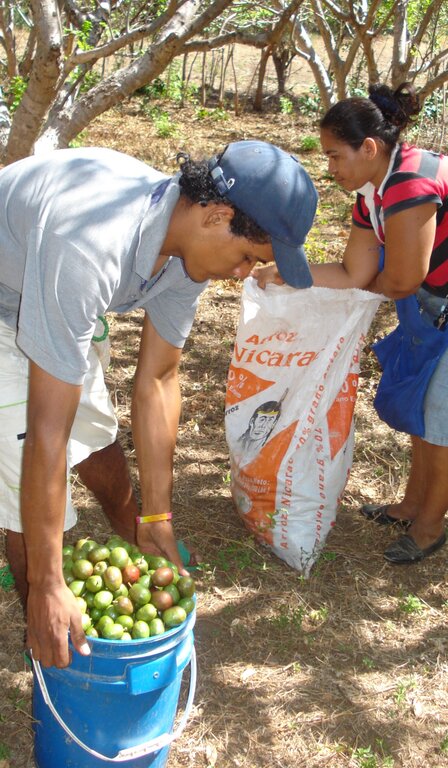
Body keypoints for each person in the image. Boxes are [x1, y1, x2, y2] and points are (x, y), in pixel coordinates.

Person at [0, 139, 318, 667]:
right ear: (217, 215)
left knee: (96, 436)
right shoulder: (90, 243)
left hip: (54, 297)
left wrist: (159, 513)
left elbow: (158, 379)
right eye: (247, 258)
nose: (243, 274)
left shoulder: (184, 249)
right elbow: (46, 432)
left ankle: (135, 536)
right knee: (33, 488)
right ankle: (51, 632)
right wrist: (49, 582)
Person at [256, 82, 448, 567]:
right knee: (427, 414)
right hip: (433, 307)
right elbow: (355, 273)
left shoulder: (409, 184)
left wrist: (347, 303)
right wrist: (286, 274)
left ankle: (429, 528)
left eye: (335, 156)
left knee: (442, 423)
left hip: (433, 302)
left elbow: (402, 278)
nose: (331, 169)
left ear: (369, 147)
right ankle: (411, 505)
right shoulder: (374, 192)